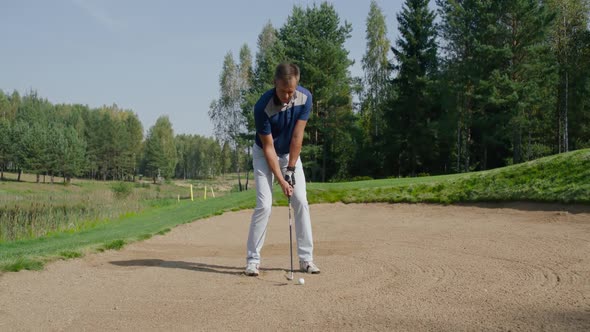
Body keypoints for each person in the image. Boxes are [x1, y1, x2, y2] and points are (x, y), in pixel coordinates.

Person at [245, 62, 320, 276]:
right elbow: (268, 148)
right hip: (263, 154)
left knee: (301, 201)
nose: (288, 96)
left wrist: (291, 168)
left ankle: (306, 259)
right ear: (274, 83)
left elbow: (298, 136)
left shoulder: (305, 98)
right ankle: (253, 260)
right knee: (265, 205)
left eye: (291, 91)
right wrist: (281, 180)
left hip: (289, 154)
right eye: (283, 91)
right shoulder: (262, 107)